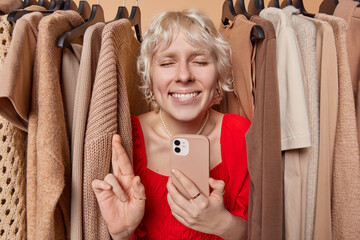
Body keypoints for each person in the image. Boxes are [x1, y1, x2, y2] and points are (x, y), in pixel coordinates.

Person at [92, 9, 250, 240]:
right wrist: (122, 234)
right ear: (150, 76)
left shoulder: (241, 134)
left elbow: (268, 230)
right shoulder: (125, 138)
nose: (184, 76)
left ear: (218, 74)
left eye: (200, 61)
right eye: (167, 63)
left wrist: (223, 224)